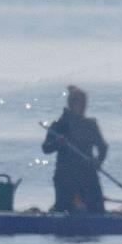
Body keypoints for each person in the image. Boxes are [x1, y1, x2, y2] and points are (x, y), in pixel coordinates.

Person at [41, 85, 108, 213]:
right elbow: (46, 148)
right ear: (71, 104)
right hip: (65, 175)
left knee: (97, 209)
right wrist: (57, 143)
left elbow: (103, 147)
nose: (83, 107)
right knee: (63, 209)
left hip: (88, 174)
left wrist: (98, 161)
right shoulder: (61, 125)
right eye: (80, 104)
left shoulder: (90, 125)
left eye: (84, 104)